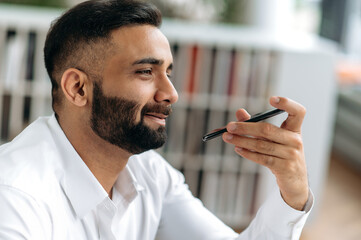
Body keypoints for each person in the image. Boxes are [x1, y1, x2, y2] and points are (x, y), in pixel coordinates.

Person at [0, 0, 313, 239]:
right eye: (145, 72)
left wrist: (292, 193)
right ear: (78, 88)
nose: (171, 93)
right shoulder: (14, 198)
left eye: (168, 72)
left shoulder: (149, 173)